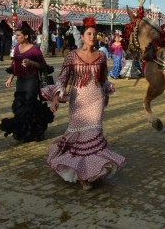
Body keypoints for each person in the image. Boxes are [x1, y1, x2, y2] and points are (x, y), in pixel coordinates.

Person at [41, 16, 124, 191]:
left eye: (94, 34)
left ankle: (89, 175)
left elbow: (103, 79)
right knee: (78, 136)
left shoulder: (101, 56)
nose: (92, 37)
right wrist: (55, 99)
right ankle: (81, 172)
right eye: (89, 34)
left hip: (96, 100)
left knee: (93, 133)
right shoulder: (72, 55)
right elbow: (63, 79)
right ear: (83, 36)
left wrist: (107, 95)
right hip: (78, 100)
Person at [0, 24, 54, 142]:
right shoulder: (16, 48)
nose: (16, 38)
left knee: (29, 104)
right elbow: (14, 65)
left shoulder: (34, 49)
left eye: (18, 35)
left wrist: (31, 62)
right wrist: (10, 78)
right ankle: (22, 131)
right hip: (20, 80)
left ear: (26, 36)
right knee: (20, 104)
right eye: (16, 36)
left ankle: (32, 132)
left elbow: (42, 65)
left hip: (32, 80)